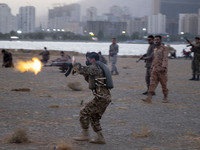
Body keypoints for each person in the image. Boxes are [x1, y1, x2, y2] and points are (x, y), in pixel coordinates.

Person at [73, 52, 113, 144]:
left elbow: (80, 69)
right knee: (94, 117)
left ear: (93, 59)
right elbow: (92, 81)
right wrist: (84, 74)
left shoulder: (95, 67)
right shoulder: (99, 67)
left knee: (84, 112)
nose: (87, 61)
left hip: (101, 98)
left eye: (88, 59)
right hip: (105, 97)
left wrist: (74, 64)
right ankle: (100, 138)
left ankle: (85, 135)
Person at [142, 35, 169, 103]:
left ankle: (165, 97)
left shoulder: (164, 48)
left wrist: (163, 66)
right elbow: (154, 59)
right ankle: (149, 98)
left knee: (163, 84)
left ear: (161, 40)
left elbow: (165, 58)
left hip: (161, 70)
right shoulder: (155, 49)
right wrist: (151, 68)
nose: (156, 41)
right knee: (152, 83)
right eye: (156, 40)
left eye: (158, 40)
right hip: (154, 69)